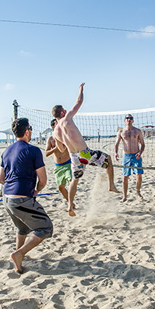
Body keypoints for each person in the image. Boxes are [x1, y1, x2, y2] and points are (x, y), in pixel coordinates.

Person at [52, 83, 120, 217]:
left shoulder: (55, 133)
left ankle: (70, 205)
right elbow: (79, 101)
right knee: (108, 160)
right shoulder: (67, 119)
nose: (65, 111)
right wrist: (81, 90)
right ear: (62, 112)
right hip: (85, 153)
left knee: (74, 181)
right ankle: (111, 185)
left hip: (74, 157)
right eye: (64, 110)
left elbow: (61, 148)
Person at [0, 118, 53, 273]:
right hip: (21, 198)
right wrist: (36, 190)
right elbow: (43, 180)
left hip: (7, 198)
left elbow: (1, 179)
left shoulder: (6, 151)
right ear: (27, 131)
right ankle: (19, 253)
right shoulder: (33, 150)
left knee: (22, 227)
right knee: (46, 228)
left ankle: (19, 255)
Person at [114, 113, 145, 202]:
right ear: (125, 120)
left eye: (130, 118)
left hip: (136, 156)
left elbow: (142, 144)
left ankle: (138, 193)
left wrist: (140, 153)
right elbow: (116, 144)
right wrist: (115, 153)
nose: (129, 119)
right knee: (125, 177)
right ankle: (124, 196)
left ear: (133, 120)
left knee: (139, 176)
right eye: (127, 118)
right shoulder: (121, 132)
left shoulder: (138, 131)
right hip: (126, 156)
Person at [45, 118, 73, 207]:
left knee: (71, 181)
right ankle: (71, 203)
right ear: (53, 126)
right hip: (58, 166)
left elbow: (64, 148)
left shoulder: (65, 135)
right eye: (57, 123)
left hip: (68, 163)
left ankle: (71, 204)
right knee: (61, 187)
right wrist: (55, 148)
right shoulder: (50, 139)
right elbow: (46, 153)